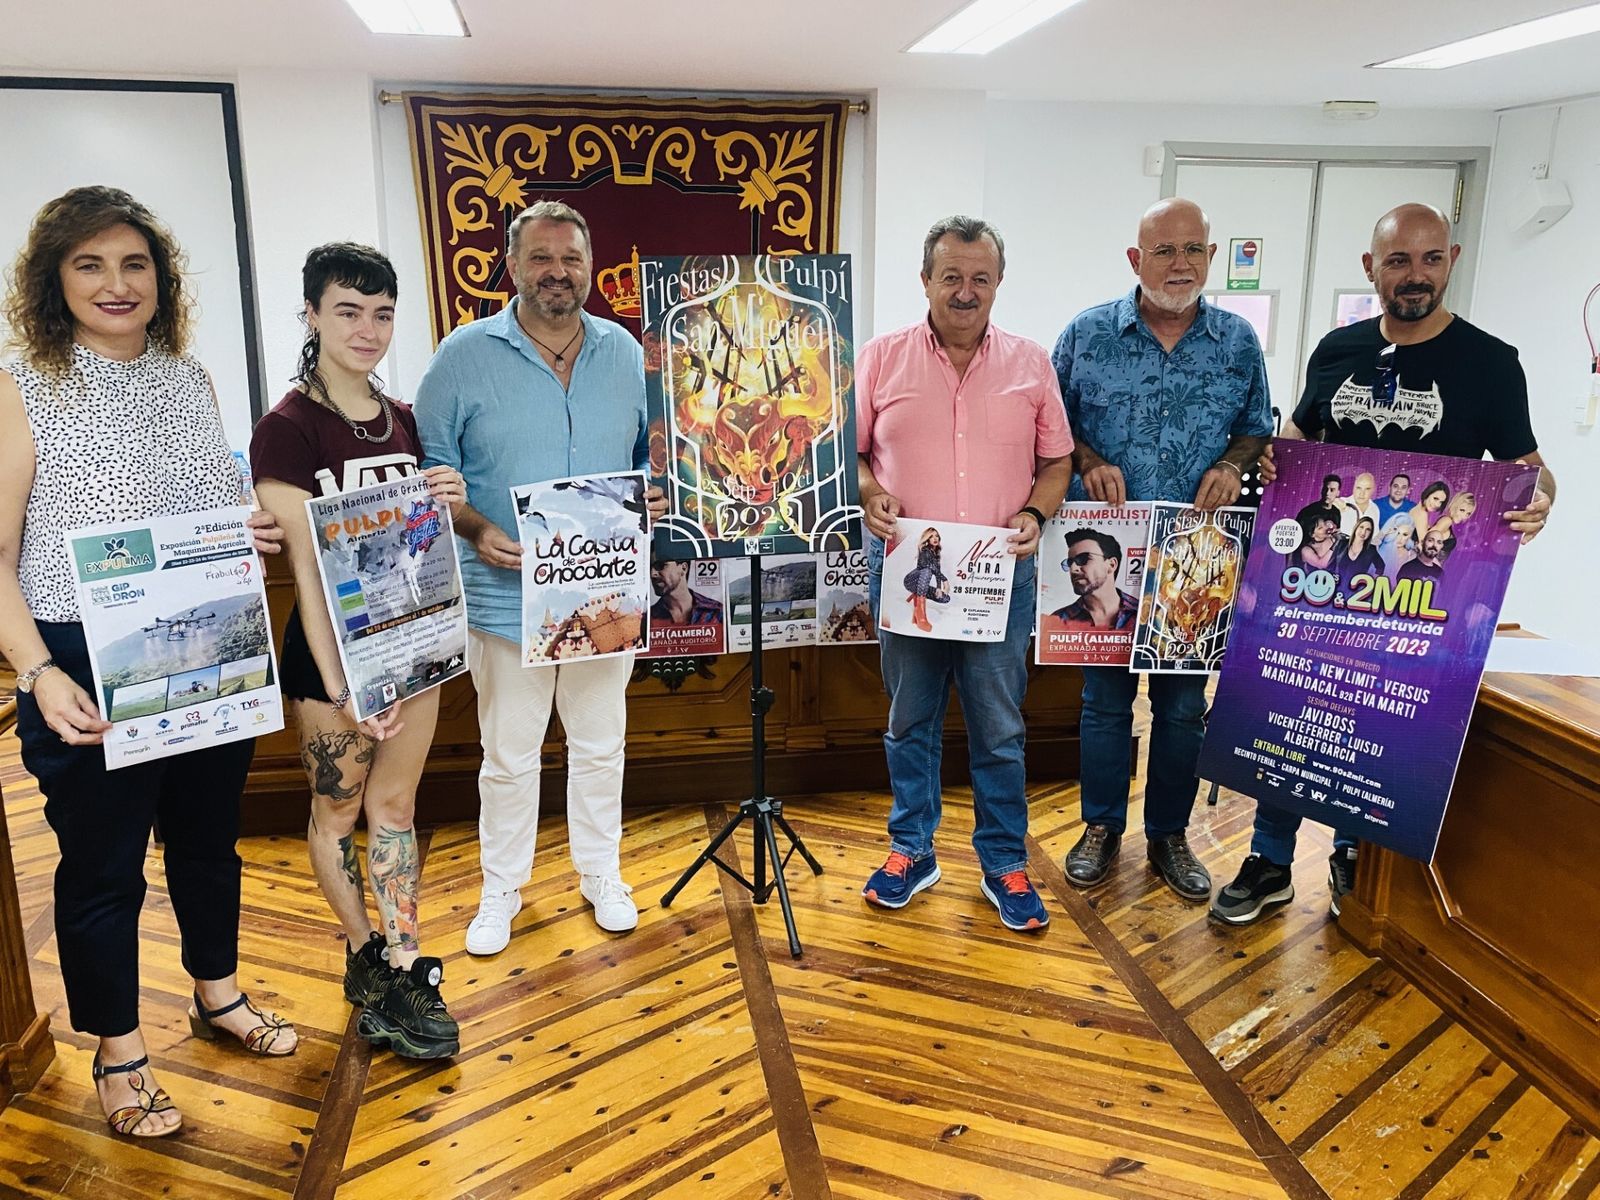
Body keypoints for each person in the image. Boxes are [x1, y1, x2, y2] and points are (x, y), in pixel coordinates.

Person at [0, 187, 297, 1138]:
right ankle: (119, 1048)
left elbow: (206, 508)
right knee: (103, 866)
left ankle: (217, 992)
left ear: (161, 279)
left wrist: (246, 530)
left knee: (209, 841)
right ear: (53, 280)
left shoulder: (188, 376)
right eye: (89, 264)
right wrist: (38, 673)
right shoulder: (20, 385)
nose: (115, 283)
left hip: (209, 639)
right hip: (82, 658)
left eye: (134, 264)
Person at [1212, 202, 1555, 926]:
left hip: (1417, 593)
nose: (1416, 275)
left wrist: (1541, 500)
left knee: (1373, 723)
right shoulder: (1338, 350)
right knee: (1295, 708)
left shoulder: (1491, 363)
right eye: (1399, 261)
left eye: (1431, 259)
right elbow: (1298, 435)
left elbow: (1529, 468)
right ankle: (1270, 860)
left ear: (1452, 260)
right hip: (1322, 579)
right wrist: (1277, 459)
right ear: (1371, 268)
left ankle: (1354, 859)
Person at [415, 200, 667, 950]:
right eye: (541, 257)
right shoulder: (462, 355)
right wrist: (476, 527)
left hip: (605, 594)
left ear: (590, 266)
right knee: (508, 755)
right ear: (513, 265)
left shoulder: (627, 353)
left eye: (571, 258)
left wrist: (655, 492)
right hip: (504, 598)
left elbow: (651, 454)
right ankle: (502, 890)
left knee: (601, 747)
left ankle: (601, 874)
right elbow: (432, 470)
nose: (558, 272)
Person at [250, 243, 466, 1059]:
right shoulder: (286, 430)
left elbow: (416, 544)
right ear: (311, 315)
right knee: (338, 811)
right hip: (332, 657)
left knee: (396, 809)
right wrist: (345, 686)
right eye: (347, 311)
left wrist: (449, 499)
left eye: (381, 313)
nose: (367, 329)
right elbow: (308, 573)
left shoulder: (402, 419)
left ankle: (405, 957)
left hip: (411, 645)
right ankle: (364, 954)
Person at [1052, 197, 1272, 902]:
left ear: (1211, 255)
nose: (1181, 264)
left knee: (1181, 709)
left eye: (1193, 249)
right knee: (1104, 704)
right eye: (1164, 250)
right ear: (1135, 259)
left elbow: (1256, 427)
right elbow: (1049, 426)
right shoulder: (1086, 334)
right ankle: (1100, 826)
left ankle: (1170, 834)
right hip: (1107, 550)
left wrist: (1234, 464)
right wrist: (1087, 459)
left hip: (1195, 559)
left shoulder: (1238, 341)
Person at [857, 214, 1073, 932]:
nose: (965, 291)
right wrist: (870, 492)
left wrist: (1037, 513)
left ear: (999, 283)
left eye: (980, 277)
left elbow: (1057, 461)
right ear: (925, 280)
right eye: (951, 276)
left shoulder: (1031, 364)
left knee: (999, 729)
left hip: (996, 580)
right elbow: (852, 454)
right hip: (907, 575)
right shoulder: (881, 358)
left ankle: (1004, 861)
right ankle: (911, 851)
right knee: (908, 722)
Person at [1051, 528, 1138, 628]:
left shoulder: (1143, 613)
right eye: (1070, 563)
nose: (1073, 569)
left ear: (1111, 565)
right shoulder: (1058, 620)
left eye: (1083, 559)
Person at [901, 526, 950, 633]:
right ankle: (921, 617)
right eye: (931, 536)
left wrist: (938, 587)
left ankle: (917, 605)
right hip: (911, 581)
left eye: (936, 536)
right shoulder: (924, 551)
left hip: (921, 586)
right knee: (927, 570)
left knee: (945, 598)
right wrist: (945, 580)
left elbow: (937, 571)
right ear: (927, 539)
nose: (935, 538)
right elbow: (928, 567)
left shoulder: (936, 554)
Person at [649, 559, 722, 627]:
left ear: (684, 568)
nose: (652, 574)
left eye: (660, 565)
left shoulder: (716, 611)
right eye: (649, 568)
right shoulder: (648, 618)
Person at [1335, 516, 1384, 596]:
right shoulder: (1342, 543)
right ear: (1356, 527)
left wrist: (1371, 581)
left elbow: (1381, 566)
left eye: (1368, 530)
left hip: (1356, 592)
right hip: (1337, 587)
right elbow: (1331, 564)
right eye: (1361, 527)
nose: (1363, 532)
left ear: (1370, 533)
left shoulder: (1371, 549)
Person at [1295, 502, 1345, 571]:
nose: (1326, 528)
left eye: (1325, 524)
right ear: (1312, 534)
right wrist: (1335, 545)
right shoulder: (1306, 550)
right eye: (1320, 528)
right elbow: (1321, 565)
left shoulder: (1331, 538)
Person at [1335, 471, 1378, 536]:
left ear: (1373, 490)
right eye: (1358, 488)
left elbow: (1374, 536)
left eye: (1367, 489)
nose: (1362, 493)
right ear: (1353, 488)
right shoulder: (1342, 503)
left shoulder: (1374, 508)